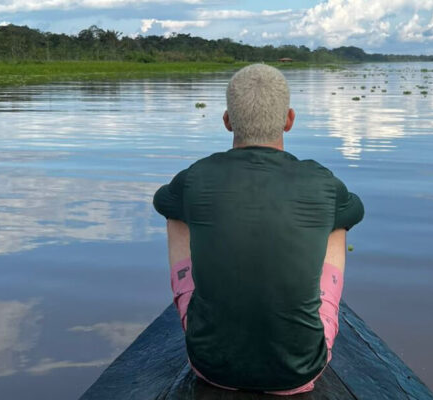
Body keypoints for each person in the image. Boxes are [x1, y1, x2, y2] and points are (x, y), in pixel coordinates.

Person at [153, 64, 364, 395]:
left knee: (176, 212)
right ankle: (318, 301)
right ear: (289, 120)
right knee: (338, 222)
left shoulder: (195, 176)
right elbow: (356, 211)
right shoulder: (321, 180)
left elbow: (161, 202)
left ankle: (187, 292)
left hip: (210, 366)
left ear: (227, 121)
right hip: (299, 371)